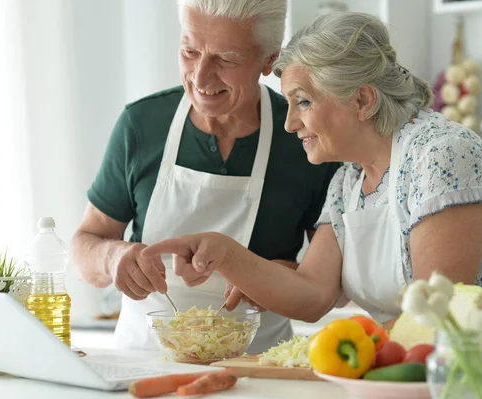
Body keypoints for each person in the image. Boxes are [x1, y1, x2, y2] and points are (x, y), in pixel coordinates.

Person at [141, 12, 482, 355]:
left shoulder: (441, 155)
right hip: (406, 372)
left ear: (362, 100)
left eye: (303, 102)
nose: (290, 124)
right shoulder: (349, 180)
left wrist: (332, 351)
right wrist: (224, 254)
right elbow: (312, 292)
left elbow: (436, 315)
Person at [71, 0, 340, 353]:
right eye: (189, 51)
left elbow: (331, 286)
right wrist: (111, 257)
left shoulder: (304, 139)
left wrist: (276, 277)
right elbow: (84, 246)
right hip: (142, 366)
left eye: (225, 59)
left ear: (269, 60)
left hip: (261, 372)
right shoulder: (141, 125)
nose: (199, 77)